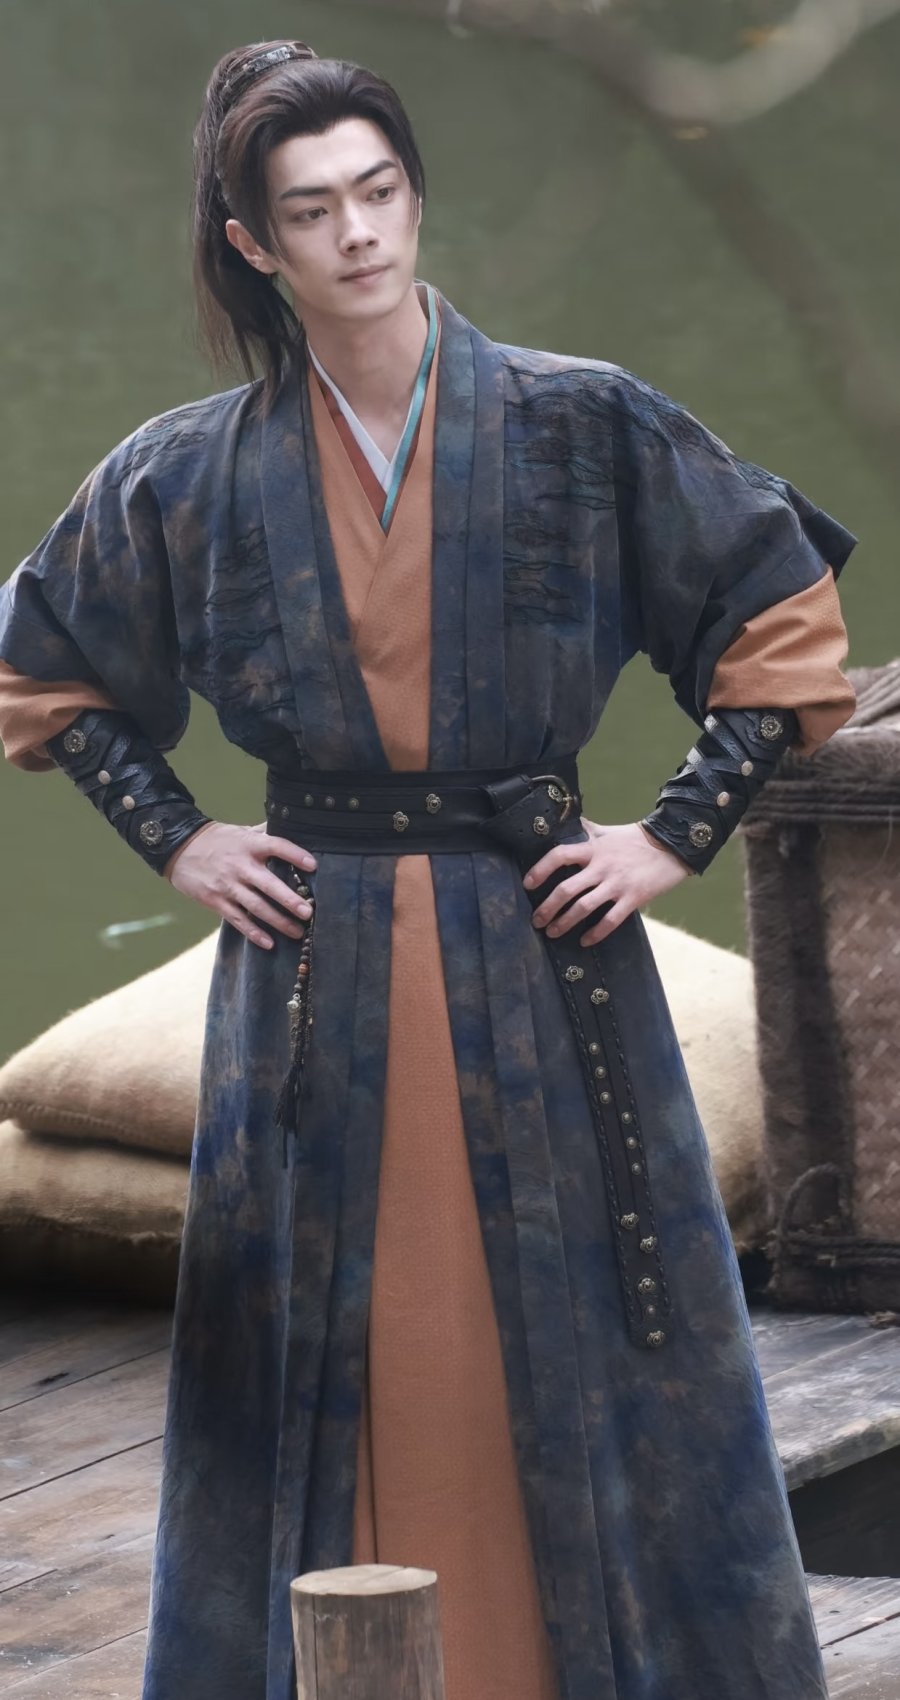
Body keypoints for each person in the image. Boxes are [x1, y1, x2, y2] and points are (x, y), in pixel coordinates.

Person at [0, 38, 858, 1700]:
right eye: (313, 210)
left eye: (379, 192)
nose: (359, 234)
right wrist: (178, 835)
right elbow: (43, 669)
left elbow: (779, 616)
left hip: (542, 944)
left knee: (594, 1318)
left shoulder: (582, 420)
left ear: (415, 197)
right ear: (255, 243)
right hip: (307, 960)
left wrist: (668, 835)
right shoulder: (188, 469)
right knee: (322, 1340)